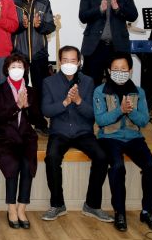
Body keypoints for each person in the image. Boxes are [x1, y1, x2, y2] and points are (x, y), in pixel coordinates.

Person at [41, 46, 113, 223]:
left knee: (102, 157)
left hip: (83, 131)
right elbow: (46, 110)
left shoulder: (88, 82)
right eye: (65, 60)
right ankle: (57, 204)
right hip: (60, 131)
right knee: (51, 157)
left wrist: (79, 101)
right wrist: (65, 102)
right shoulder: (49, 82)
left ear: (79, 62)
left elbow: (93, 114)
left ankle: (92, 205)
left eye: (73, 60)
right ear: (59, 62)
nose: (69, 64)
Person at [94, 52, 152, 232]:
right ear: (109, 71)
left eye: (123, 69)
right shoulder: (100, 91)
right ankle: (120, 213)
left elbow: (144, 121)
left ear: (130, 71)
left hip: (133, 137)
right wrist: (120, 110)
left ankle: (147, 212)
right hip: (109, 137)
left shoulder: (139, 92)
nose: (119, 72)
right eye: (115, 69)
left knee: (151, 167)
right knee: (117, 167)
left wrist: (131, 111)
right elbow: (100, 120)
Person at [0, 54, 42, 229]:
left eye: (20, 66)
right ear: (7, 69)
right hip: (5, 137)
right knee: (12, 165)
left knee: (28, 166)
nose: (16, 69)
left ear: (25, 69)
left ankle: (22, 208)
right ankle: (11, 208)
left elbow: (37, 119)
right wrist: (17, 106)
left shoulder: (32, 91)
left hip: (26, 137)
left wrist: (27, 106)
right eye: (13, 66)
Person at [79, 0, 138, 87]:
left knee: (118, 84)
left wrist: (117, 8)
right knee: (91, 84)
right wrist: (100, 9)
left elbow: (133, 16)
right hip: (94, 47)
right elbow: (82, 17)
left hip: (118, 47)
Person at [11, 0, 55, 112]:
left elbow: (50, 26)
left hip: (39, 54)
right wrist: (20, 25)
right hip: (18, 55)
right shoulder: (11, 2)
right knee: (19, 89)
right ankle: (20, 118)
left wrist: (39, 25)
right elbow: (7, 27)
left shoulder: (44, 2)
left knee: (40, 89)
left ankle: (39, 119)